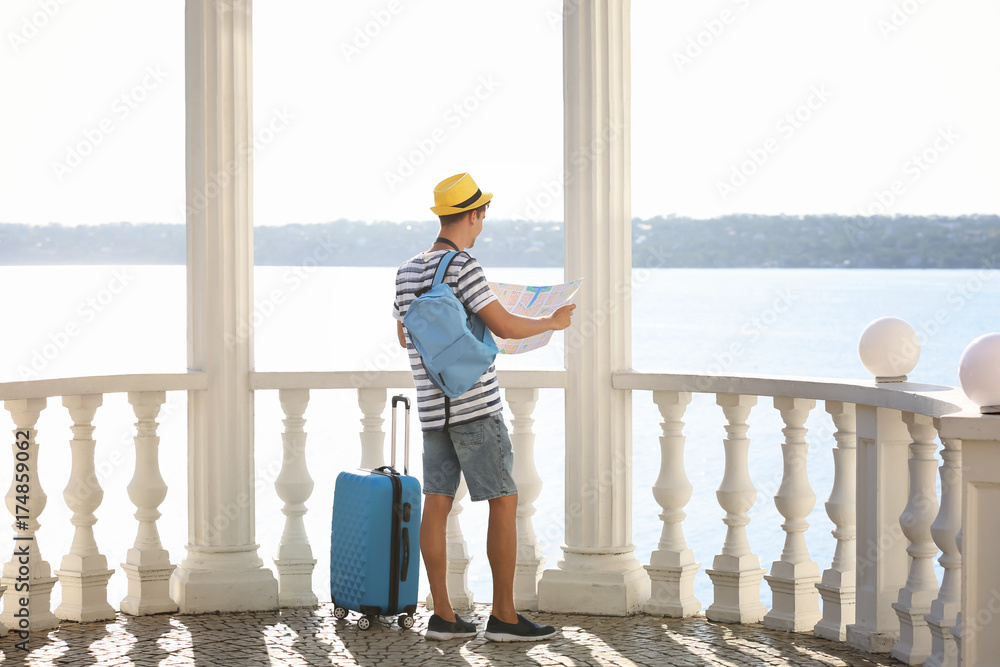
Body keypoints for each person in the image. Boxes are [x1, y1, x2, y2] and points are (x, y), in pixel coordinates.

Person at [393, 173, 575, 642]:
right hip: (476, 403)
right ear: (471, 214)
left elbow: (403, 336)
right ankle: (505, 618)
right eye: (481, 216)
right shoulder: (464, 265)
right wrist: (553, 320)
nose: (481, 226)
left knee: (436, 503)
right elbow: (507, 328)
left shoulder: (407, 270)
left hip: (434, 407)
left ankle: (444, 617)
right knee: (503, 500)